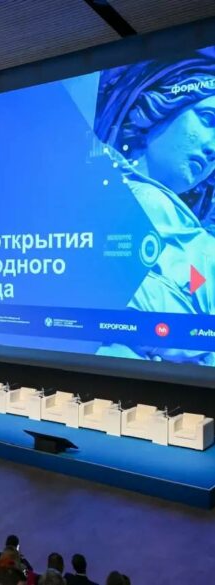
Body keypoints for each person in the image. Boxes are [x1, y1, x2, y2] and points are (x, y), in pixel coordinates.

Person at [93, 47, 215, 364]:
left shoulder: (203, 246)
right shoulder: (85, 195)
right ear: (160, 105)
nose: (214, 148)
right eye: (208, 119)